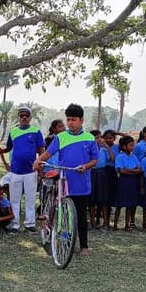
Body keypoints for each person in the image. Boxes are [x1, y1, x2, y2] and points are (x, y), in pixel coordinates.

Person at [33, 104, 98, 255]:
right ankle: (65, 242)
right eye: (68, 119)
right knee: (63, 214)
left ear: (81, 120)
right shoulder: (60, 137)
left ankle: (84, 246)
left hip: (81, 183)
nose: (70, 123)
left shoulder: (89, 138)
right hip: (64, 181)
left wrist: (86, 166)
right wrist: (38, 161)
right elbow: (48, 153)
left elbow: (95, 160)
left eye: (73, 120)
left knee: (81, 215)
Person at [0, 105, 44, 234]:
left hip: (31, 171)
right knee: (14, 199)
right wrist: (1, 150)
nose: (24, 118)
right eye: (21, 116)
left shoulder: (36, 131)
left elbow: (41, 151)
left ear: (30, 117)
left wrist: (40, 167)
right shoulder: (13, 131)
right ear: (18, 118)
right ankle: (15, 225)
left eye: (26, 115)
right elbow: (8, 148)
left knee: (30, 199)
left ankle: (30, 224)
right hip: (15, 171)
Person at [113, 135, 141, 231]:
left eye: (133, 145)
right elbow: (121, 171)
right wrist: (133, 171)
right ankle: (115, 224)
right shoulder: (119, 157)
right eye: (131, 145)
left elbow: (139, 169)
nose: (133, 147)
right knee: (119, 204)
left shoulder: (134, 156)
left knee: (130, 205)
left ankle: (127, 225)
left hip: (132, 182)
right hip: (123, 182)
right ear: (124, 146)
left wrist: (128, 170)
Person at [89, 130, 114, 229]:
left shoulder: (103, 150)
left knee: (103, 198)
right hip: (92, 173)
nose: (100, 139)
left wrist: (107, 147)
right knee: (92, 200)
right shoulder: (89, 149)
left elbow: (112, 158)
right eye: (97, 137)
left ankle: (105, 222)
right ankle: (92, 222)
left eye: (100, 137)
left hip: (102, 173)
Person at [100, 129, 119, 230]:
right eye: (106, 138)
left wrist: (118, 133)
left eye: (111, 138)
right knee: (104, 198)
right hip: (103, 172)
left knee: (110, 198)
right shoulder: (101, 147)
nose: (108, 140)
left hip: (112, 172)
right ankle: (104, 222)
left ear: (114, 138)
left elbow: (113, 159)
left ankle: (109, 222)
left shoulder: (117, 147)